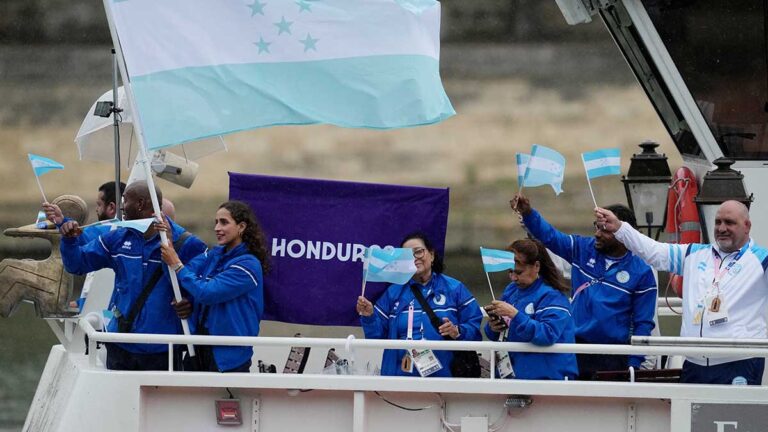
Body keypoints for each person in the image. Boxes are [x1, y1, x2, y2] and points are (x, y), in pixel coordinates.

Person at [596, 200, 767, 385]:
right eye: (718, 222)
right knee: (693, 415)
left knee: (733, 415)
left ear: (747, 226)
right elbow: (653, 251)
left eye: (729, 222)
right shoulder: (693, 254)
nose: (722, 228)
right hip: (694, 362)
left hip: (738, 362)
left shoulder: (762, 260)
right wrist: (621, 228)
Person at [54, 181, 207, 371]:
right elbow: (77, 264)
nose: (121, 207)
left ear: (141, 204)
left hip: (163, 349)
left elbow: (203, 289)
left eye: (125, 201)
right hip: (120, 343)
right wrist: (69, 241)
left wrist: (189, 302)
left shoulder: (187, 244)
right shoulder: (118, 238)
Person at [513, 193, 657, 379]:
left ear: (623, 234)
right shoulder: (582, 248)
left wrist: (634, 365)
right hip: (574, 348)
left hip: (614, 355)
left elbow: (643, 323)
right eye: (597, 227)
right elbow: (550, 237)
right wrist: (528, 213)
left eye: (605, 229)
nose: (597, 234)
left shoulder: (642, 272)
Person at [160, 200, 267, 373]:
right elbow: (178, 277)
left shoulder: (248, 265)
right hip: (198, 348)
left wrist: (177, 264)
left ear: (241, 227)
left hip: (228, 357)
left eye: (224, 222)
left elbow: (208, 292)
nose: (217, 228)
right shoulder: (213, 255)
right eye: (216, 222)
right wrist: (189, 304)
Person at [356, 232, 483, 377]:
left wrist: (457, 331)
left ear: (432, 255)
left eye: (418, 252)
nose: (414, 258)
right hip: (399, 378)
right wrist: (369, 317)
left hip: (446, 378)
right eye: (407, 255)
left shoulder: (455, 288)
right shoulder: (393, 292)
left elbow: (475, 327)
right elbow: (376, 337)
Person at [484, 239, 578, 380]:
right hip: (513, 376)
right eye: (510, 272)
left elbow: (548, 334)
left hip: (547, 378)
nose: (514, 278)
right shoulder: (511, 290)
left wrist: (515, 315)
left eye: (519, 272)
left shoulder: (552, 297)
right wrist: (493, 327)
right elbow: (496, 335)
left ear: (536, 266)